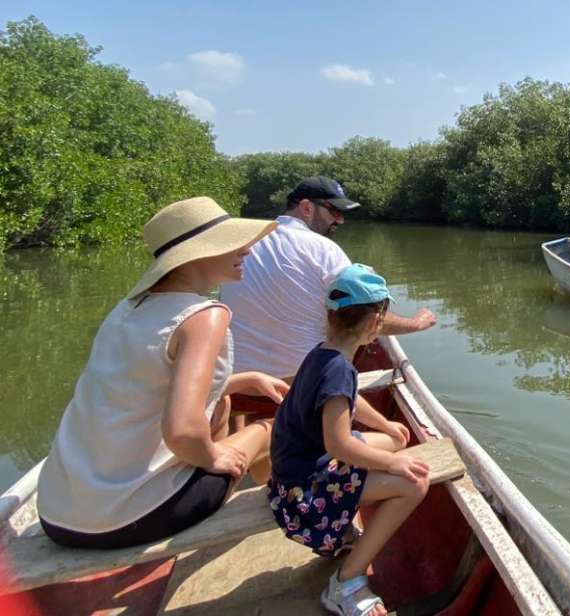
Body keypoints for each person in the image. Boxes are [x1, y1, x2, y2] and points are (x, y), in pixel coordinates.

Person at [36, 197, 288, 549]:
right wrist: (215, 458)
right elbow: (183, 431)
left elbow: (140, 387)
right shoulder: (205, 316)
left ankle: (234, 482)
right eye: (232, 242)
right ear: (195, 255)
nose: (246, 250)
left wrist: (243, 380)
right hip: (126, 519)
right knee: (274, 427)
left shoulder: (127, 308)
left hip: (56, 515)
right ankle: (275, 517)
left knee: (224, 404)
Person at [268, 264, 430, 616]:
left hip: (294, 471)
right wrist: (393, 464)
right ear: (376, 324)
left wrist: (387, 425)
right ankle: (345, 583)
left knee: (396, 441)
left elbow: (347, 402)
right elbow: (339, 444)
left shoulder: (322, 354)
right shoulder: (339, 370)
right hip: (303, 493)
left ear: (331, 315)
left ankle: (341, 533)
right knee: (414, 483)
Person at [220, 176, 435, 431]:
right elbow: (366, 316)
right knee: (353, 329)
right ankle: (275, 433)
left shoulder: (243, 243)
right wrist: (416, 324)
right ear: (307, 208)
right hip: (298, 385)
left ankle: (247, 432)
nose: (340, 220)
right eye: (334, 211)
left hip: (238, 383)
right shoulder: (323, 249)